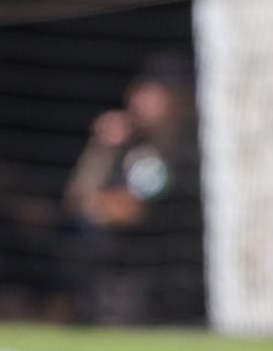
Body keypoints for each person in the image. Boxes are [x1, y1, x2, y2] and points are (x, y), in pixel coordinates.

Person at [62, 52, 205, 325]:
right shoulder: (131, 150)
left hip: (162, 289)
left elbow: (129, 210)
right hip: (110, 283)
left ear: (177, 99)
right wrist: (102, 148)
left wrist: (97, 205)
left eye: (152, 94)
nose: (138, 101)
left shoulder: (185, 155)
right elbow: (76, 197)